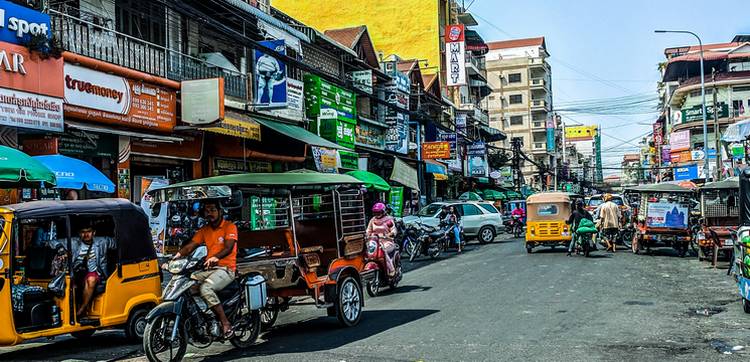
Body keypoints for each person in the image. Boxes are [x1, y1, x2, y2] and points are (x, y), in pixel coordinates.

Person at [173, 200, 238, 338]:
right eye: (207, 211)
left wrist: (215, 258)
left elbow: (228, 247)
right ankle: (201, 317)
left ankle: (225, 323)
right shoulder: (204, 230)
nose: (210, 214)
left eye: (213, 210)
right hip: (208, 269)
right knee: (185, 286)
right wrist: (176, 257)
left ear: (220, 212)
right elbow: (190, 246)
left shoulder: (229, 227)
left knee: (205, 289)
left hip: (226, 269)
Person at [51, 221, 116, 319]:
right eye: (83, 232)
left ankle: (82, 310)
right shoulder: (73, 242)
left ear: (94, 233)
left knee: (91, 280)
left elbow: (119, 243)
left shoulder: (103, 241)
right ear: (79, 234)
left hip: (95, 273)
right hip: (77, 272)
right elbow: (51, 242)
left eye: (89, 232)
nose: (86, 234)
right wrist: (60, 248)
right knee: (67, 285)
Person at [366, 203, 397, 276]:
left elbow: (393, 230)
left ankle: (392, 270)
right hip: (374, 243)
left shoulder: (389, 220)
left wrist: (391, 234)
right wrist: (366, 236)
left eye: (378, 212)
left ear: (383, 211)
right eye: (375, 212)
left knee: (383, 251)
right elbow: (368, 231)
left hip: (387, 242)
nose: (377, 214)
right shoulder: (372, 220)